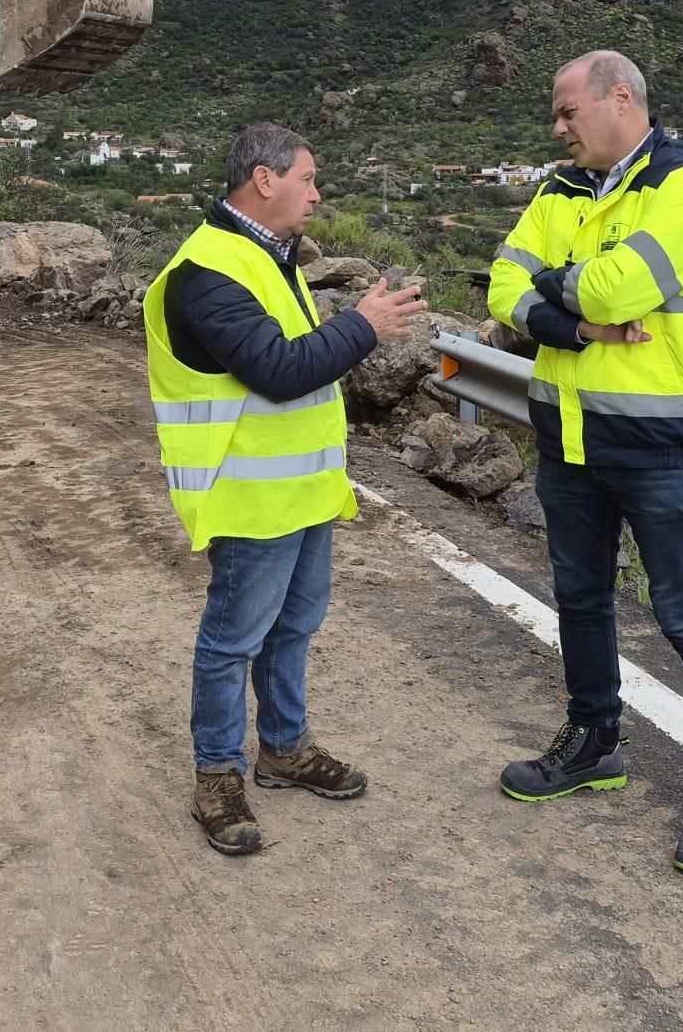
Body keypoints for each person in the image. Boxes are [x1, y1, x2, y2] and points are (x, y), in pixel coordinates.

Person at [486, 50, 683, 877]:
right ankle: (594, 738)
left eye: (568, 112)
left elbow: (618, 291)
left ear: (620, 99)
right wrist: (573, 322)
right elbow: (502, 286)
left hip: (659, 446)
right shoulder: (559, 191)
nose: (557, 127)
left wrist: (562, 287)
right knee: (579, 595)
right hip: (569, 435)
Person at [143, 123, 425, 856]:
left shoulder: (272, 257)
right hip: (248, 497)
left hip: (302, 492)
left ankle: (284, 748)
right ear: (264, 180)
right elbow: (279, 369)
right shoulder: (206, 270)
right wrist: (364, 325)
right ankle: (218, 775)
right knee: (233, 639)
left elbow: (298, 365)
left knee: (293, 628)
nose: (316, 192)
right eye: (307, 177)